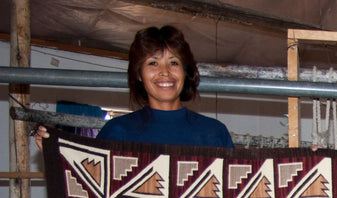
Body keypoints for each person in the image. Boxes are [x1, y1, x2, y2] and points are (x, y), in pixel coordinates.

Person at [34, 26, 233, 149]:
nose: (164, 72)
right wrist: (56, 153)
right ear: (138, 74)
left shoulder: (214, 133)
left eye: (173, 63)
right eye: (152, 63)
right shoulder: (118, 131)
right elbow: (91, 187)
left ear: (185, 71)